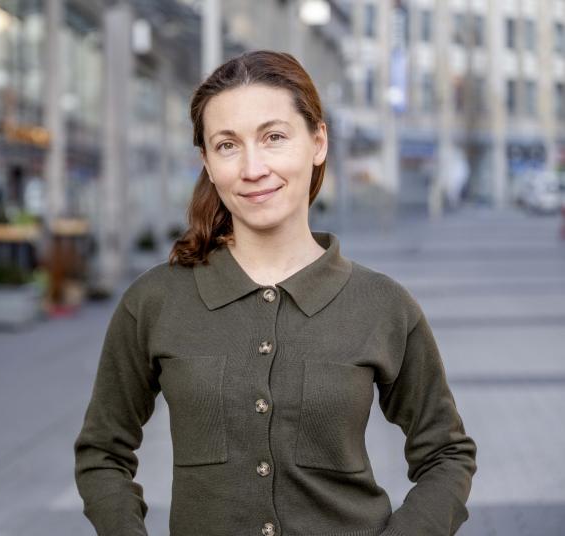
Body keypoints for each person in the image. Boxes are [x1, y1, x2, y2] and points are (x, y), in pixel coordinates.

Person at [74, 50, 477, 536]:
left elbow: (447, 454)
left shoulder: (382, 305)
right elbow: (102, 452)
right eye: (227, 145)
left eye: (274, 137)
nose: (253, 168)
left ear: (318, 143)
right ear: (207, 163)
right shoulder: (155, 301)